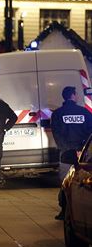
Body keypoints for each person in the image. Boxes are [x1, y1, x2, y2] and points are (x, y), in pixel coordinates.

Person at [51, 86, 92, 220]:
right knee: (83, 181)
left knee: (65, 182)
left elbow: (57, 134)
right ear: (73, 96)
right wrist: (82, 149)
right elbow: (89, 131)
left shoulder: (57, 114)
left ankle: (65, 210)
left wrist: (66, 148)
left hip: (66, 153)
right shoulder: (84, 112)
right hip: (83, 153)